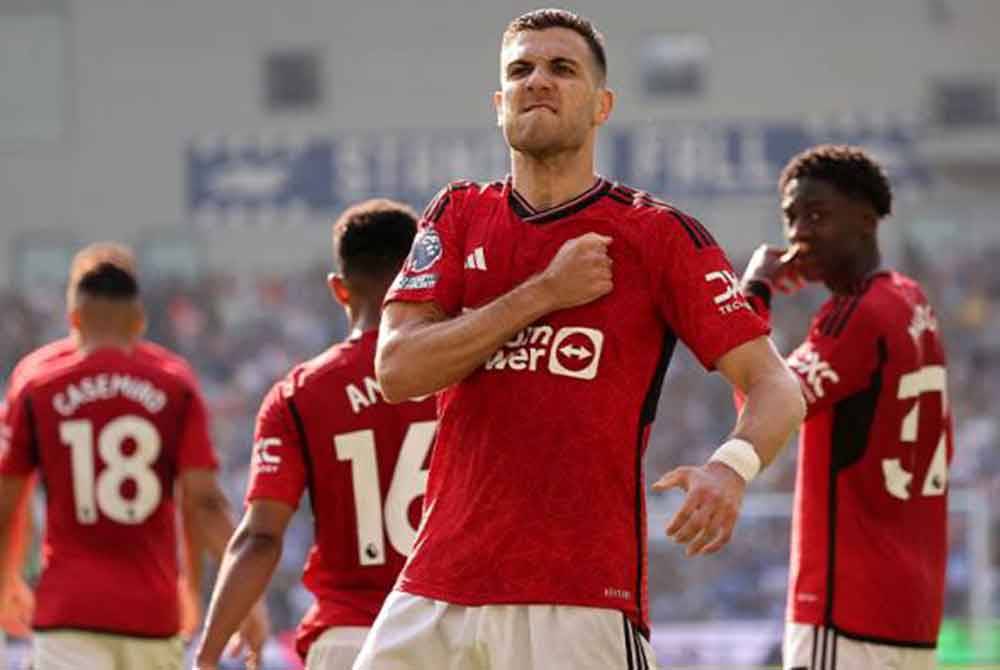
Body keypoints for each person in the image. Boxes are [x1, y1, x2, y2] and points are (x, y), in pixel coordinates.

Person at [358, 9, 805, 670]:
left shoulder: (658, 236)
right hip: (437, 589)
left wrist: (731, 467)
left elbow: (776, 386)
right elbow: (396, 370)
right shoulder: (457, 214)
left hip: (580, 598)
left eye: (561, 69)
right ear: (498, 103)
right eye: (521, 71)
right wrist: (544, 291)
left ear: (602, 105)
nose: (538, 81)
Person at [0, 243, 267, 670]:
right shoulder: (173, 382)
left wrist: (6, 578)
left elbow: (7, 497)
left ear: (73, 319)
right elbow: (203, 502)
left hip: (69, 615)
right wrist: (229, 595)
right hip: (151, 614)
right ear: (139, 322)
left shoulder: (36, 382)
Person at [194, 199, 436, 670]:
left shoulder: (299, 394)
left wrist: (206, 656)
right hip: (446, 631)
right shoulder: (465, 376)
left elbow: (260, 539)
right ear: (421, 278)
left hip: (348, 641)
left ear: (339, 290)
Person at [740, 145, 952, 670]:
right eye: (791, 218)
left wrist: (754, 293)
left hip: (847, 607)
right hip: (911, 607)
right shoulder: (910, 299)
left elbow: (761, 407)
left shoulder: (855, 316)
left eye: (817, 215)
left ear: (864, 219)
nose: (799, 233)